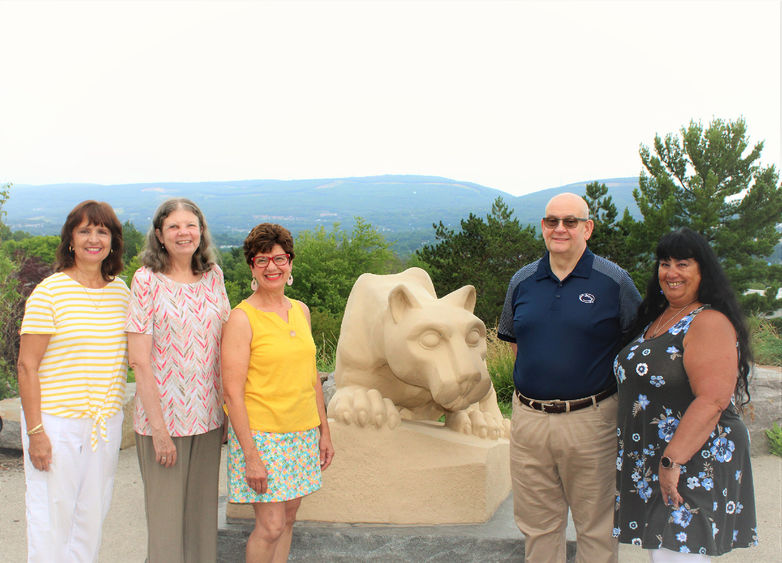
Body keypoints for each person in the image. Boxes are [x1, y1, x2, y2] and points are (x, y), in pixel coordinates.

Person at [498, 192, 641, 562]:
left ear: (587, 228)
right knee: (537, 526)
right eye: (552, 221)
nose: (560, 228)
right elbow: (517, 344)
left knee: (596, 525)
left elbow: (637, 346)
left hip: (592, 421)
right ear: (543, 227)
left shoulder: (614, 281)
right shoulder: (522, 281)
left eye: (570, 221)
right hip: (529, 421)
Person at [613, 227, 757, 561]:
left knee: (679, 553)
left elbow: (713, 400)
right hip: (662, 456)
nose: (671, 272)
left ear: (702, 270)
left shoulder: (708, 321)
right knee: (665, 553)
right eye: (665, 263)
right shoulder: (660, 316)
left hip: (692, 456)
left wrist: (670, 461)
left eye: (683, 263)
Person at [17, 200, 129, 562]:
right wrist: (36, 432)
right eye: (85, 231)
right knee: (51, 518)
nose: (93, 239)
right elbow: (26, 367)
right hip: (55, 422)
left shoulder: (122, 294)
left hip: (105, 423)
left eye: (102, 231)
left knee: (91, 518)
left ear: (113, 241)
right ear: (70, 239)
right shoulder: (49, 293)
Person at [221, 222, 334, 563]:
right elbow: (232, 392)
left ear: (290, 262)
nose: (273, 267)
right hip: (262, 437)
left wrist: (324, 431)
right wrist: (250, 455)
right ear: (252, 267)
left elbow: (311, 376)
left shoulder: (301, 311)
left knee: (288, 519)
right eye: (262, 260)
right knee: (269, 525)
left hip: (301, 433)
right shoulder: (242, 318)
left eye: (280, 258)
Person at [126, 198, 230, 562]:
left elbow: (225, 347)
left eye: (190, 225)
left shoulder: (213, 276)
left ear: (201, 231)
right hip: (163, 422)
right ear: (159, 234)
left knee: (202, 524)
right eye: (174, 227)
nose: (183, 233)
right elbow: (139, 360)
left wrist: (229, 414)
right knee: (167, 527)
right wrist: (158, 430)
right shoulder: (146, 281)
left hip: (208, 420)